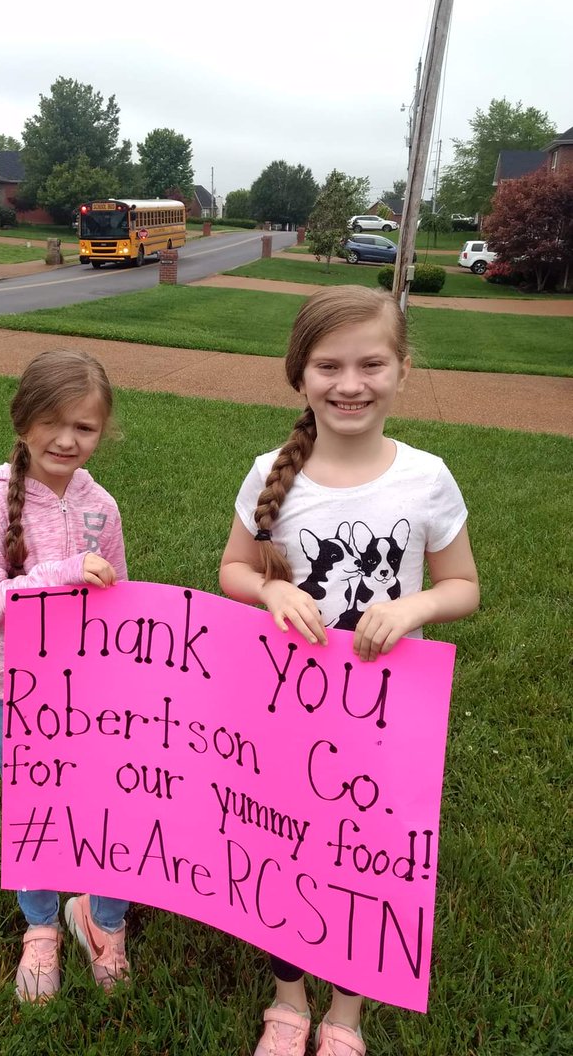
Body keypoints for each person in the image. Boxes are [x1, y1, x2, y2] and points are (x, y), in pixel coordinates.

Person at [218, 286, 479, 1056]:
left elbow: (465, 586)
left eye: (372, 363)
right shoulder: (272, 472)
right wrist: (269, 587)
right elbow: (233, 568)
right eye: (328, 365)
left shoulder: (426, 477)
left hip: (383, 711)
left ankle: (346, 1013)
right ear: (300, 376)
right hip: (285, 708)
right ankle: (289, 1000)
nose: (350, 382)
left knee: (364, 859)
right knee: (284, 848)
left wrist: (417, 608)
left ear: (402, 368)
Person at [0, 349, 131, 1004]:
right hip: (14, 695)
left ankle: (104, 919)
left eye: (84, 428)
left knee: (112, 811)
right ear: (23, 418)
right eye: (53, 422)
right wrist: (60, 578)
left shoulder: (102, 509)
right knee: (35, 814)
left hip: (89, 695)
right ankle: (41, 928)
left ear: (101, 432)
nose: (67, 439)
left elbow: (120, 601)